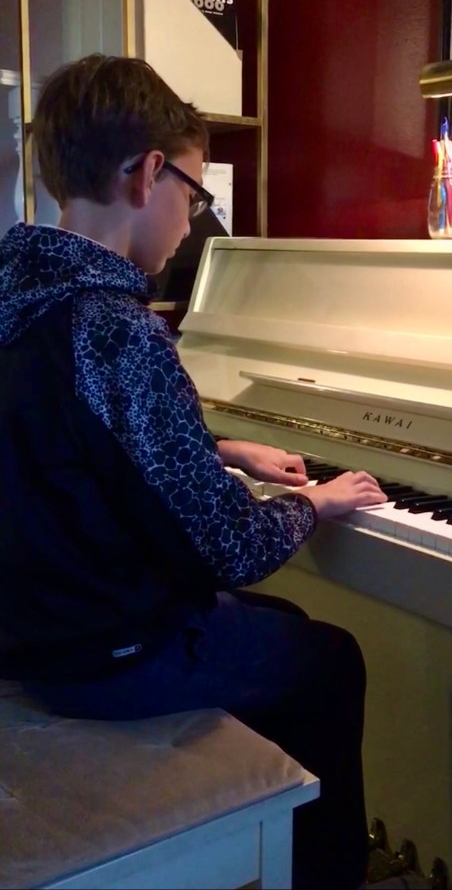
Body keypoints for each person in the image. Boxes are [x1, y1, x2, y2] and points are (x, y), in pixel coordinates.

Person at [0, 54, 387, 890]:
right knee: (331, 659)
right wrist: (315, 503)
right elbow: (228, 547)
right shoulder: (117, 328)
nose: (189, 223)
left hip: (29, 632)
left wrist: (221, 450)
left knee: (281, 622)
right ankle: (322, 871)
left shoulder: (18, 295)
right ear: (147, 174)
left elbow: (69, 441)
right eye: (193, 192)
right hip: (107, 653)